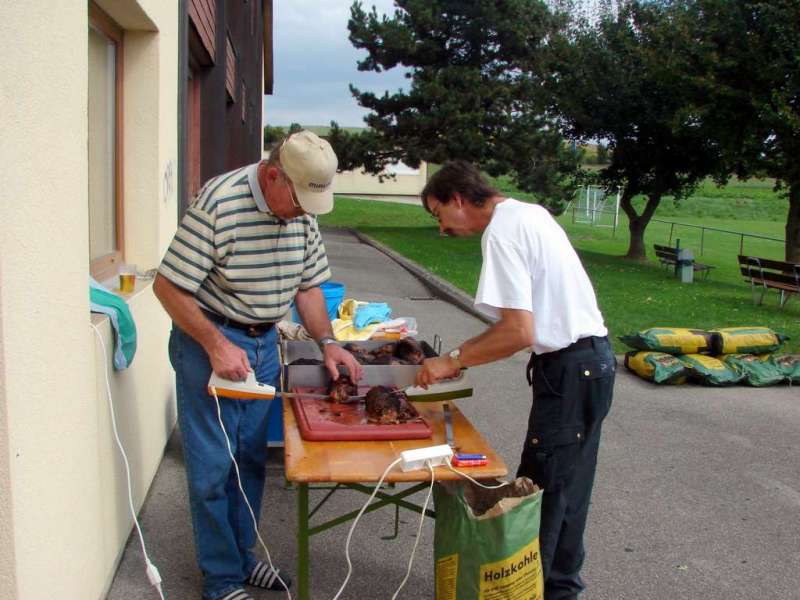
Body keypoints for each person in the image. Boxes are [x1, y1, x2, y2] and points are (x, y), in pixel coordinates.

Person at [153, 130, 362, 600]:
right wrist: (214, 344)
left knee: (248, 460)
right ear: (273, 176)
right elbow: (168, 287)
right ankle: (221, 579)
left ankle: (243, 559)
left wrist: (327, 341)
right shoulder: (219, 203)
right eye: (301, 198)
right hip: (210, 336)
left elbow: (308, 287)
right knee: (212, 466)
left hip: (264, 341)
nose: (307, 212)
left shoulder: (302, 212)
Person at [414, 161, 615, 600]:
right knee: (568, 494)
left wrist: (451, 359)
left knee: (537, 498)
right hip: (593, 363)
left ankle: (534, 592)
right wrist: (467, 354)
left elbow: (517, 333)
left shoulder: (501, 233)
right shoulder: (529, 213)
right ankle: (561, 590)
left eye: (438, 214)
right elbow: (523, 328)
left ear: (459, 199)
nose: (442, 228)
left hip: (570, 370)